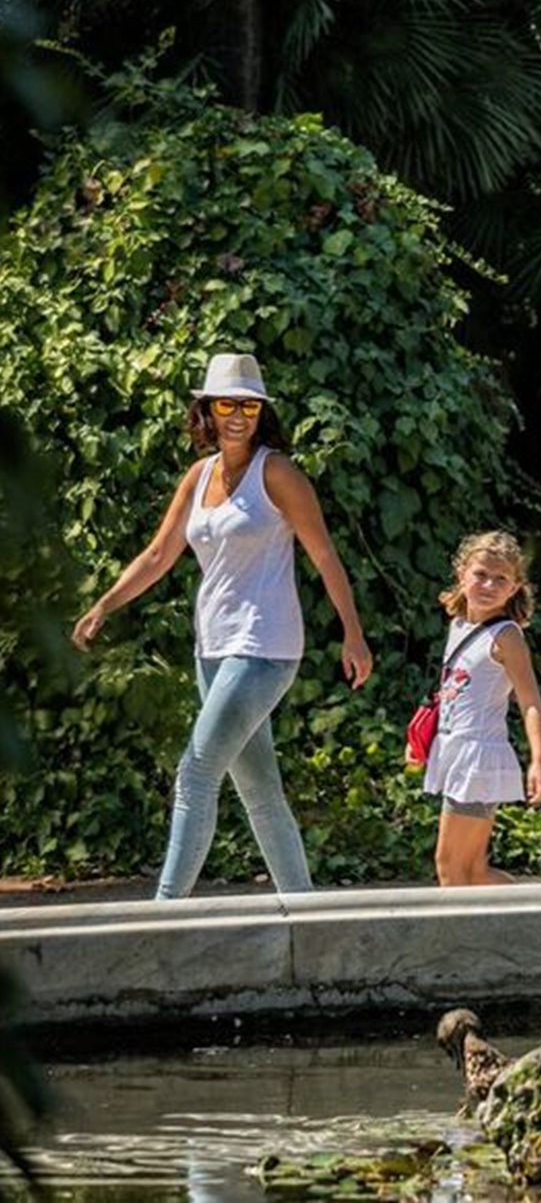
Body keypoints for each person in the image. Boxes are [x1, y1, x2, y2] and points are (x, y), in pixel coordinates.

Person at [70, 353, 374, 899]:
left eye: (250, 405)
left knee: (196, 772)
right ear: (206, 409)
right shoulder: (199, 475)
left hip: (265, 645)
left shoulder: (277, 473)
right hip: (212, 645)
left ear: (261, 412)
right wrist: (104, 605)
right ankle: (307, 914)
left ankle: (164, 915)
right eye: (228, 404)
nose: (239, 415)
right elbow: (160, 553)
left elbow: (325, 556)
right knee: (260, 791)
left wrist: (353, 633)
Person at [425, 530, 541, 886]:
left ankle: (468, 941)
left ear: (514, 588)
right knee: (472, 871)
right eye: (481, 574)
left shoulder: (506, 636)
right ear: (462, 573)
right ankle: (531, 920)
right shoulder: (459, 625)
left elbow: (530, 703)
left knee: (451, 867)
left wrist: (539, 762)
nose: (489, 585)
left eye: (501, 579)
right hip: (454, 751)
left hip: (478, 759)